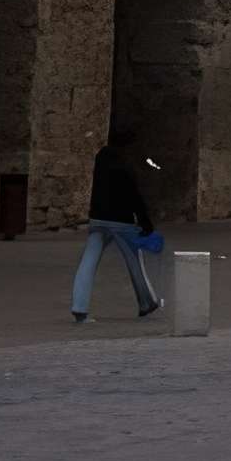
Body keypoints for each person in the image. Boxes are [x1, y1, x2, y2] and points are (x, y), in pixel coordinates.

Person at [72, 121, 161, 323]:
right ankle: (146, 303)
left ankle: (79, 307)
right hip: (121, 221)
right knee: (134, 262)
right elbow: (134, 196)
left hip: (98, 217)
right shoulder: (126, 163)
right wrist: (145, 222)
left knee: (88, 261)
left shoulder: (101, 157)